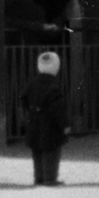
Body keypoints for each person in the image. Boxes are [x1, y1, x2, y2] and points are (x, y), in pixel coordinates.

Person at [21, 50, 68, 186]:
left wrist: (29, 111)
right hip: (50, 127)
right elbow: (58, 108)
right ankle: (50, 178)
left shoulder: (32, 83)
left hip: (34, 123)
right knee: (51, 153)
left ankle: (39, 178)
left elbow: (23, 97)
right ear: (56, 67)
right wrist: (65, 125)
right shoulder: (54, 87)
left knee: (37, 153)